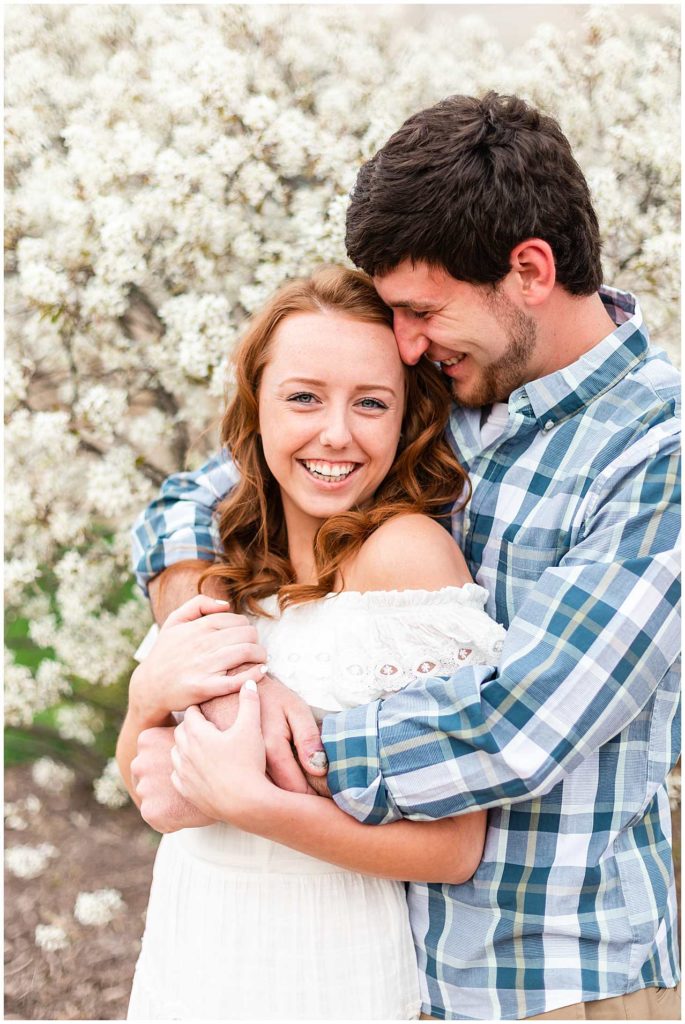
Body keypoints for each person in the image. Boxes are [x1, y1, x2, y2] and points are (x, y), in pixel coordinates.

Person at [130, 92, 681, 1020]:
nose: (407, 342)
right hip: (389, 965)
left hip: (554, 974)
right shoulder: (447, 383)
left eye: (422, 311)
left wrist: (255, 762)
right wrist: (213, 656)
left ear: (530, 270)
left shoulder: (655, 451)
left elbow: (517, 726)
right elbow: (202, 496)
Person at [118, 265, 503, 1020]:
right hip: (192, 942)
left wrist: (256, 805)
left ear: (405, 419)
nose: (336, 433)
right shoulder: (223, 561)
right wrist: (145, 696)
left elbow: (454, 848)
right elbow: (154, 793)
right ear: (255, 407)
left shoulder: (406, 555)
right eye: (303, 397)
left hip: (324, 959)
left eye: (370, 403)